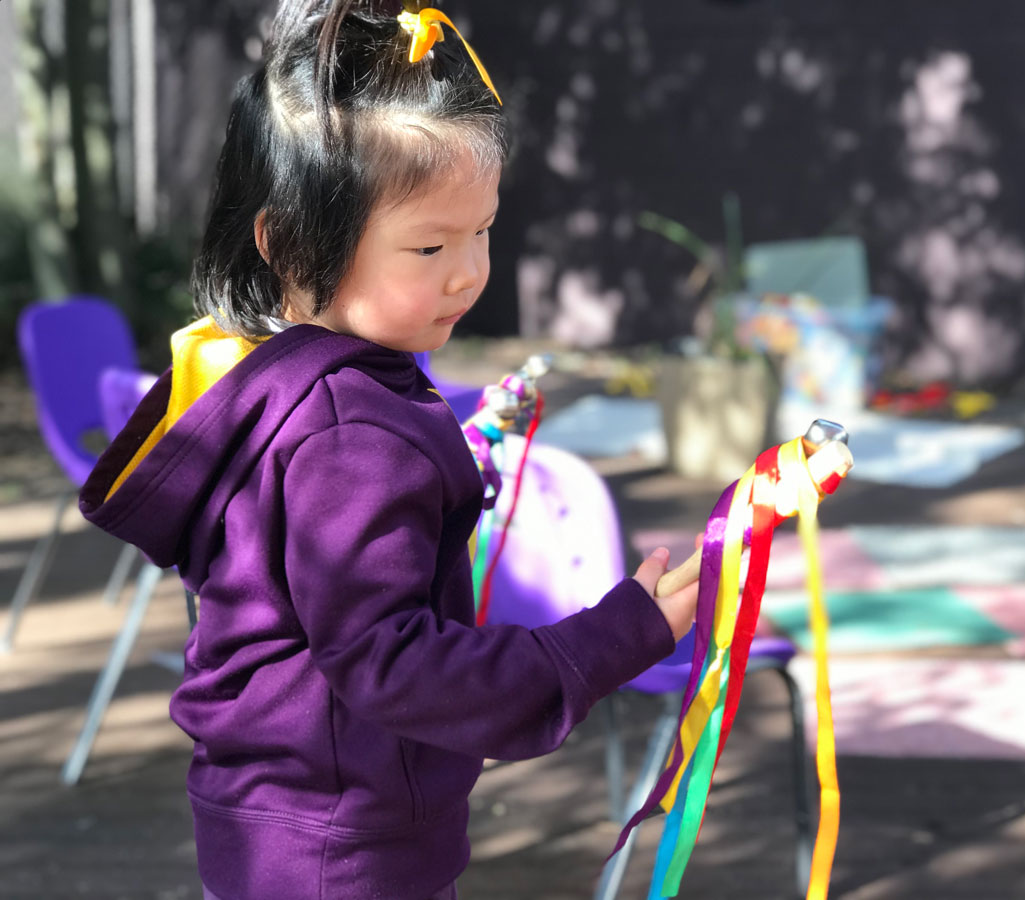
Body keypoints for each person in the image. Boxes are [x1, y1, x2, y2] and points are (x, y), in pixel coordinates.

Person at [78, 2, 699, 898]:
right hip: (344, 852)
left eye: (481, 230)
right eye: (429, 244)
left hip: (271, 826)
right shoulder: (350, 432)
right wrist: (611, 639)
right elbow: (392, 660)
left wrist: (457, 454)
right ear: (290, 242)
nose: (469, 271)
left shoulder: (283, 382)